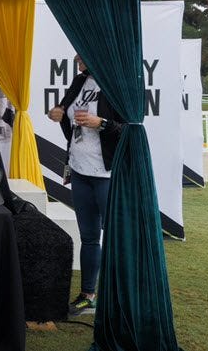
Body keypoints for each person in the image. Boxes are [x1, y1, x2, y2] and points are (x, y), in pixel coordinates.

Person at [47, 54, 122, 316]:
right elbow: (62, 109)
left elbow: (132, 128)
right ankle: (87, 294)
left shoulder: (116, 84)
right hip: (80, 170)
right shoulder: (80, 81)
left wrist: (101, 123)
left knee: (116, 237)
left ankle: (119, 297)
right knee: (89, 237)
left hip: (106, 174)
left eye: (82, 55)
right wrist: (56, 112)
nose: (77, 59)